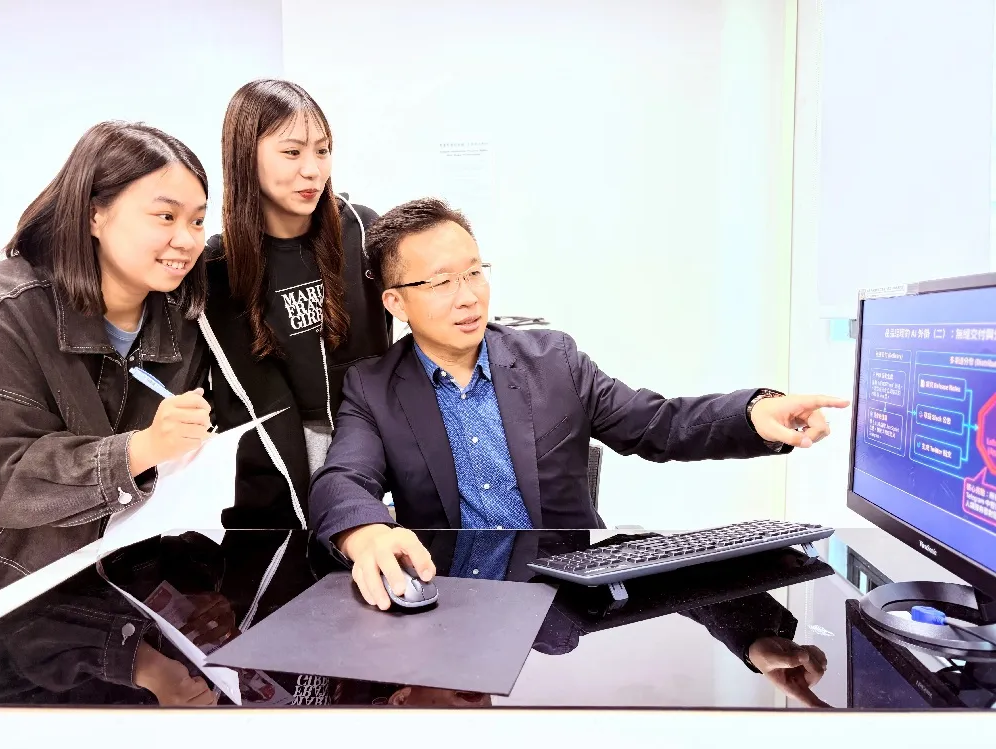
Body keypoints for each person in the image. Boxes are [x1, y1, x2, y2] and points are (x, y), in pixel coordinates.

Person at [309, 198, 851, 610]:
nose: (469, 296)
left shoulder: (553, 361)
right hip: (448, 602)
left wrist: (753, 413)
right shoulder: (373, 387)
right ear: (396, 302)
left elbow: (657, 424)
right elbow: (342, 479)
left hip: (568, 599)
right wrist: (366, 532)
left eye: (474, 272)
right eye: (442, 282)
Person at [0, 121, 215, 703]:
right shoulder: (8, 313)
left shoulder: (184, 319)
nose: (187, 239)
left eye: (198, 221)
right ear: (95, 214)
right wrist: (140, 450)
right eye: (165, 216)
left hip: (135, 598)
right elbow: (6, 477)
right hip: (19, 613)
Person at [200, 79, 391, 532]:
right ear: (245, 156)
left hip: (369, 441)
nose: (312, 170)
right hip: (276, 463)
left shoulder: (363, 229)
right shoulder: (217, 268)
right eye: (292, 152)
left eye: (323, 151)